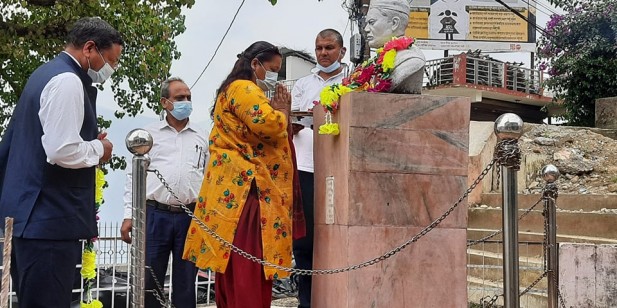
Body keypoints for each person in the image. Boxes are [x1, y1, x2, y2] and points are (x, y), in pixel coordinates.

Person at [0, 17, 121, 306]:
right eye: (111, 61)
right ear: (90, 48)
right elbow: (60, 150)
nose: (111, 70)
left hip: (30, 217)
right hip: (48, 220)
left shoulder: (44, 74)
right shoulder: (67, 81)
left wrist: (87, 140)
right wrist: (99, 148)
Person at [182, 41, 294, 308]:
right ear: (255, 64)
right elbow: (268, 124)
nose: (275, 77)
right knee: (247, 269)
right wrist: (283, 113)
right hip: (247, 192)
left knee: (233, 268)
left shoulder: (231, 89)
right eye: (273, 69)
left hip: (233, 190)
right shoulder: (244, 88)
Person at [120, 76, 207, 307]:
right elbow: (133, 176)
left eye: (188, 97)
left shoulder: (202, 136)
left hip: (190, 215)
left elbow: (208, 177)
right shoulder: (148, 135)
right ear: (164, 102)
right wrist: (129, 214)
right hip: (155, 215)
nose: (186, 101)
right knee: (150, 278)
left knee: (187, 281)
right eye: (179, 98)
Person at [290, 28, 346, 308]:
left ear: (342, 52)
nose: (323, 54)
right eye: (319, 48)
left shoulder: (353, 81)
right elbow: (294, 120)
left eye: (329, 48)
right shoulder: (302, 84)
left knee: (340, 237)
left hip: (341, 167)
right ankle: (306, 301)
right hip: (306, 167)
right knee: (304, 240)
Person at [364, 0, 426, 93]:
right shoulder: (377, 60)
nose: (366, 29)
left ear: (394, 23)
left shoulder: (411, 59)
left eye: (371, 22)